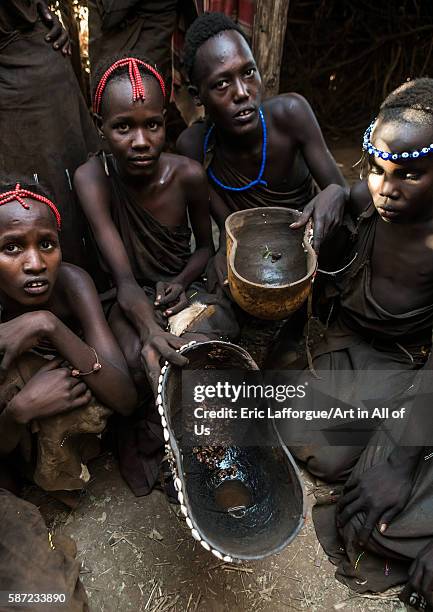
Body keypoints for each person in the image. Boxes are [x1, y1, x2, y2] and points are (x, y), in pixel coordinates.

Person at [271, 78, 433, 606]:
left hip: (411, 369)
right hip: (351, 348)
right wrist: (337, 194)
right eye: (377, 169)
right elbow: (343, 204)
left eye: (410, 174)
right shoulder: (366, 199)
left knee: (369, 520)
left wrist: (402, 461)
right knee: (318, 448)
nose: (388, 188)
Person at [74, 56, 238, 496]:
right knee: (129, 362)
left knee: (207, 344)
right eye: (123, 127)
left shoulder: (187, 175)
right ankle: (150, 435)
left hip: (182, 290)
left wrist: (182, 282)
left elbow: (206, 247)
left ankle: (187, 442)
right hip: (127, 298)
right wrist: (149, 330)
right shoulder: (93, 178)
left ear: (167, 121)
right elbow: (125, 281)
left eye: (153, 125)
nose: (141, 141)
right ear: (99, 125)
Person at [176, 12, 348, 291]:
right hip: (252, 262)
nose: (242, 92)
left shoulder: (291, 114)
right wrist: (223, 251)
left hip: (311, 245)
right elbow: (226, 228)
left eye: (248, 72)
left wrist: (334, 192)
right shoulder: (193, 146)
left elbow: (340, 190)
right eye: (222, 84)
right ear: (197, 96)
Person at [0, 182, 137, 496]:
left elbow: (125, 399)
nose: (36, 264)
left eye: (47, 244)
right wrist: (20, 410)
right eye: (12, 247)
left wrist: (47, 325)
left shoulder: (71, 283)